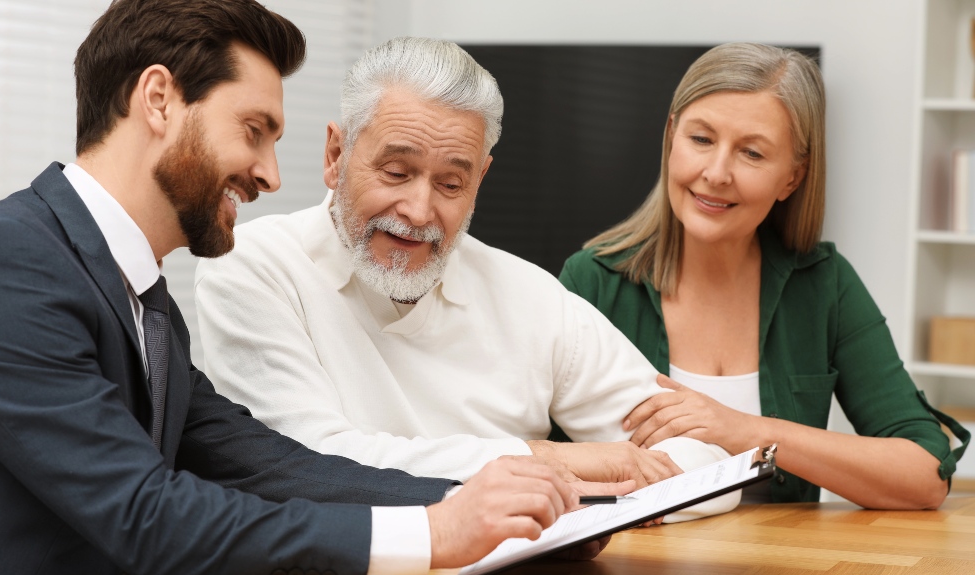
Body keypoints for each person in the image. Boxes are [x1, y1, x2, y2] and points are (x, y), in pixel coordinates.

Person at [0, 2, 611, 573]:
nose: (269, 174)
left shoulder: (146, 302)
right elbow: (145, 513)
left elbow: (270, 466)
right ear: (158, 100)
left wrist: (499, 511)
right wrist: (436, 531)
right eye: (254, 131)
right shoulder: (2, 260)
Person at [194, 36, 735, 520]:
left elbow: (707, 462)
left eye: (452, 183)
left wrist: (589, 493)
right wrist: (542, 460)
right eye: (396, 172)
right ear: (337, 155)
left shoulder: (529, 294)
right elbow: (309, 467)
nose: (419, 210)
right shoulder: (252, 265)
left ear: (482, 178)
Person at [560, 42, 970, 508]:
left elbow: (925, 472)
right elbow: (529, 460)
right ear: (671, 136)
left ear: (792, 178)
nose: (716, 173)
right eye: (701, 139)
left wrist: (748, 430)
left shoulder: (825, 285)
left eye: (751, 153)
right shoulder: (591, 282)